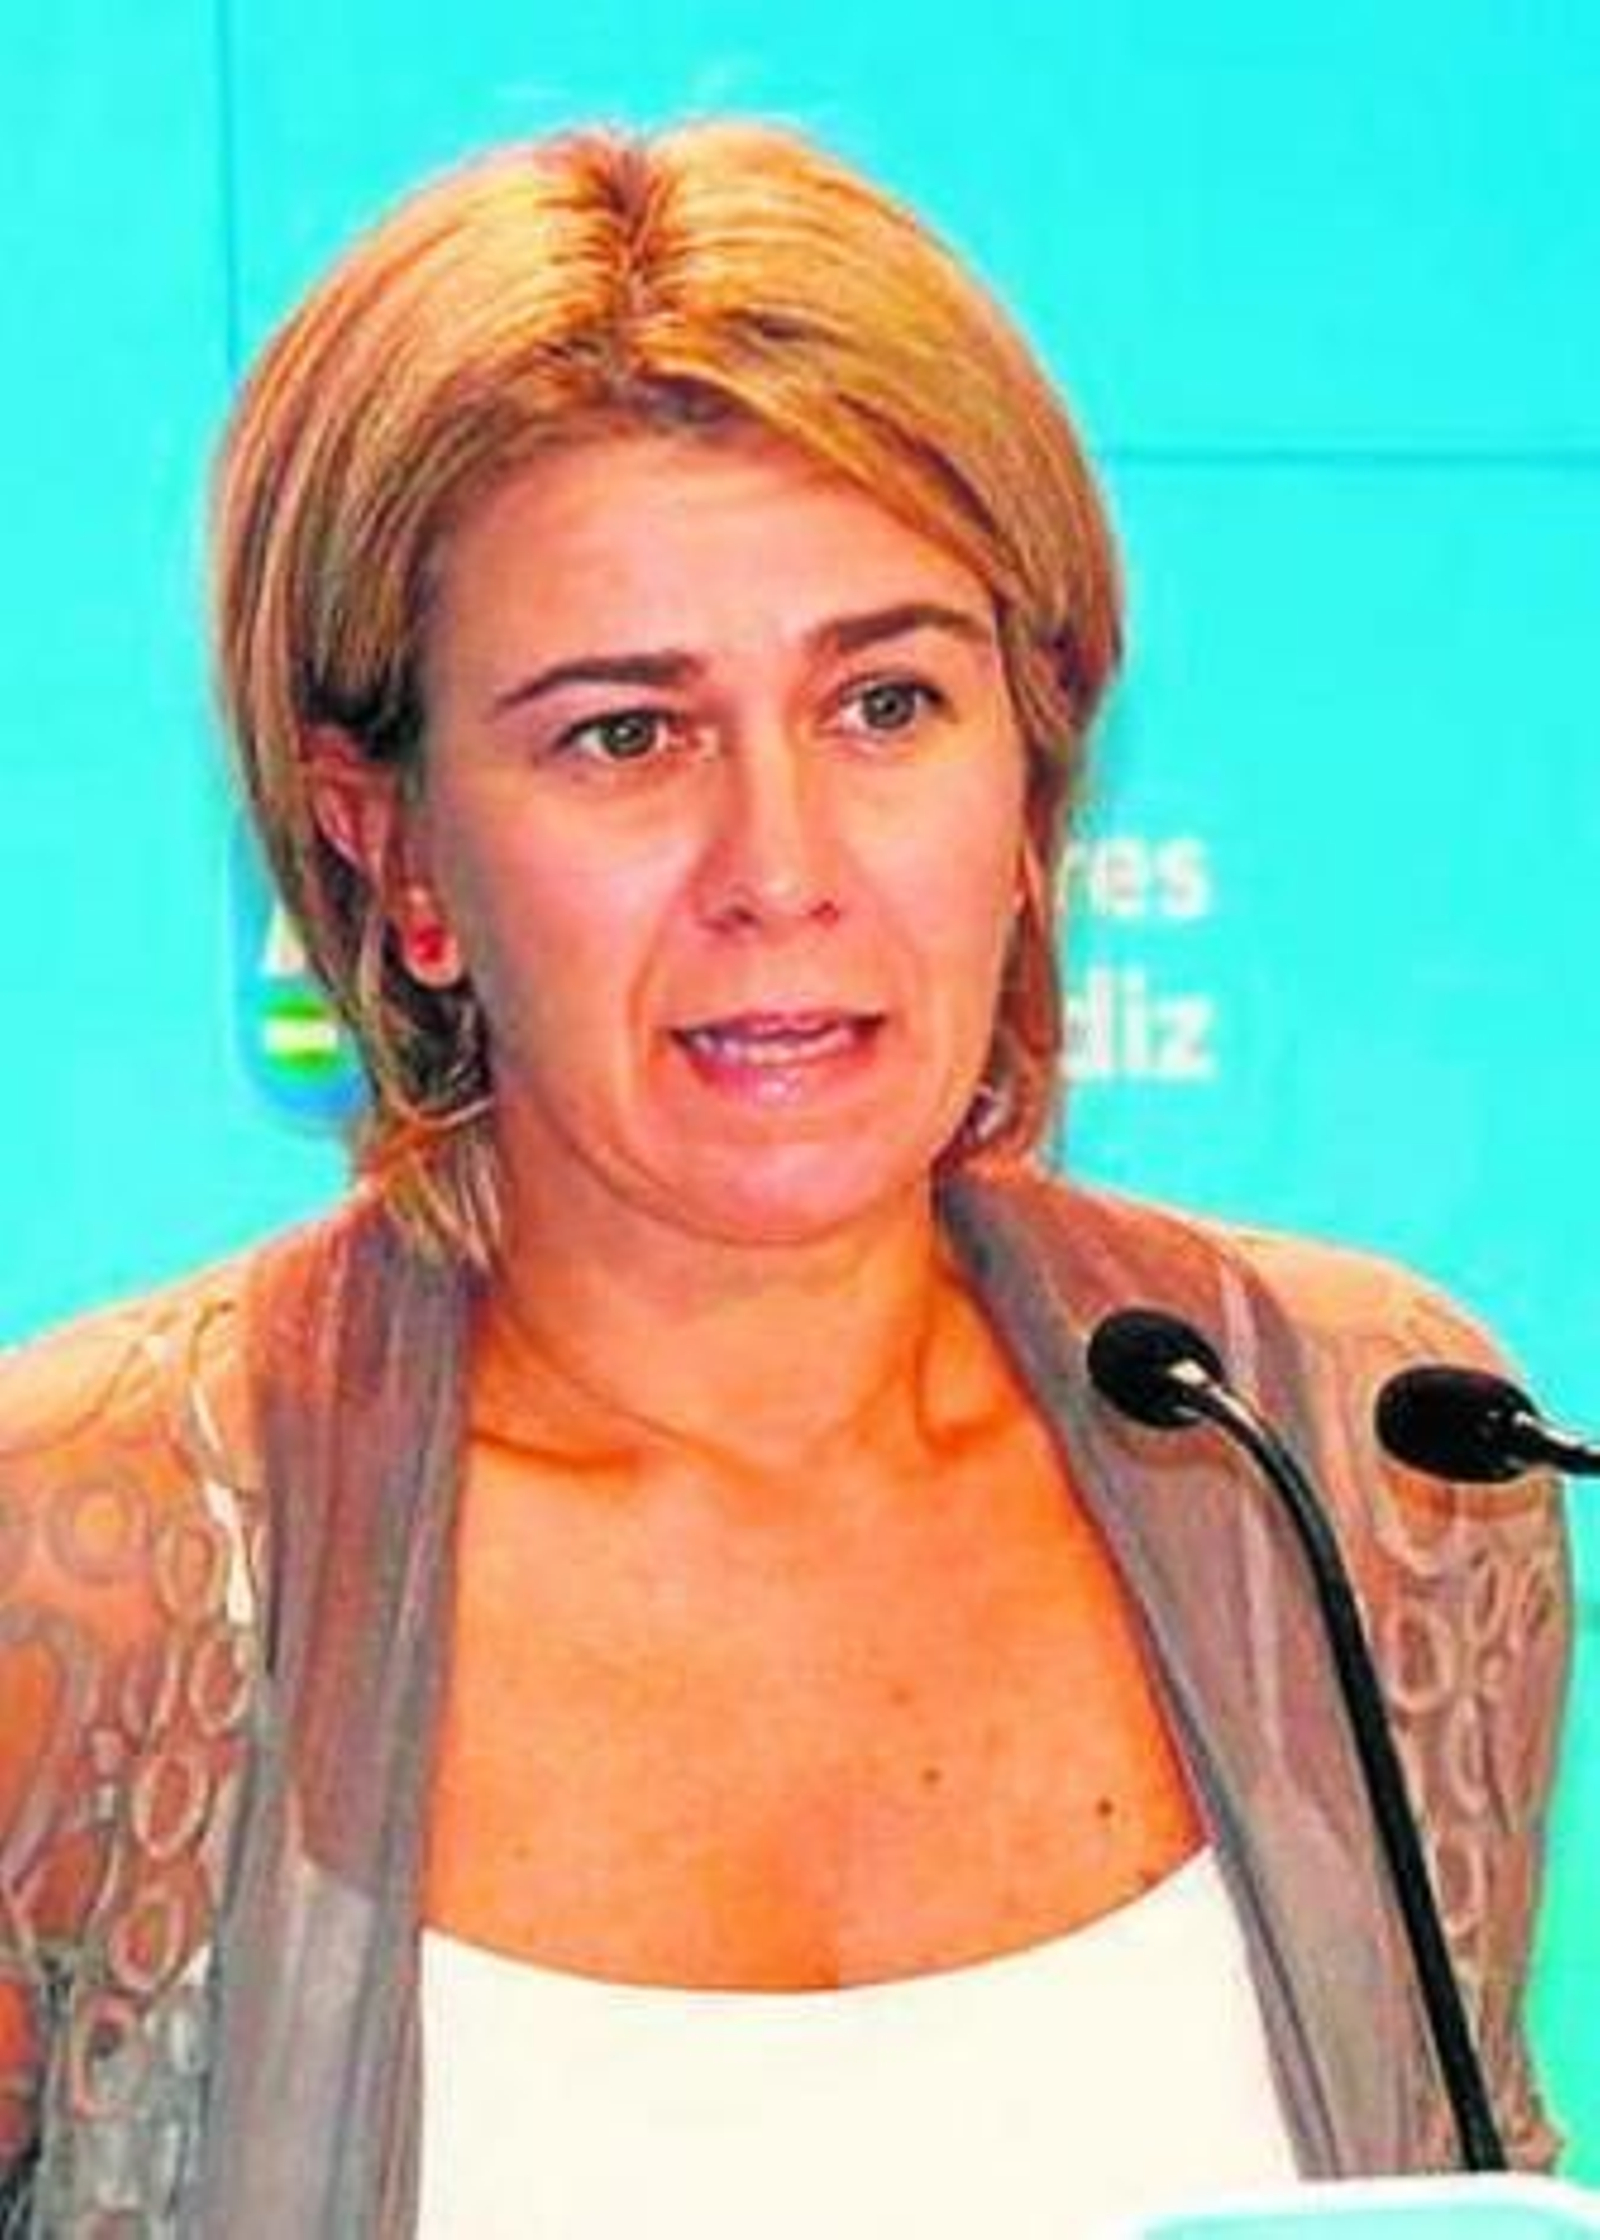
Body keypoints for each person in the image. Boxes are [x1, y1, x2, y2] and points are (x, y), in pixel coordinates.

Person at [0, 118, 1572, 2237]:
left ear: (1033, 776)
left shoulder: (1357, 1459)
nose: (781, 868)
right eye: (623, 735)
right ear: (394, 850)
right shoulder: (90, 1564)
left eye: (885, 702)